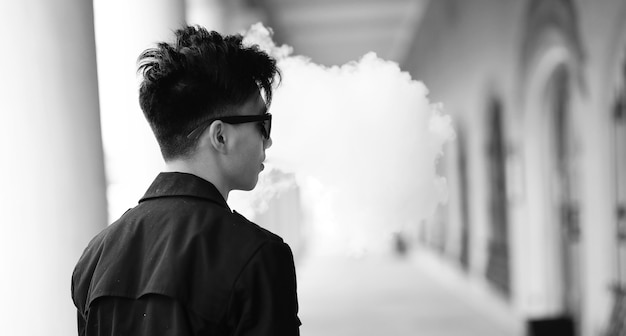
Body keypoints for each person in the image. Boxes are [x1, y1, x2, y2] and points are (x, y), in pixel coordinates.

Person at [71, 25, 300, 335]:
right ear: (220, 135)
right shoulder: (259, 256)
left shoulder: (96, 255)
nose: (268, 142)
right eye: (263, 124)